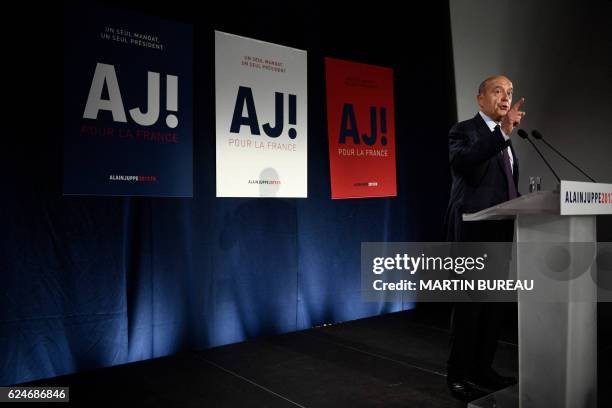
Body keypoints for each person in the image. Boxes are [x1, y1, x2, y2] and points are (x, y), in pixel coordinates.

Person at [443, 75, 525, 402]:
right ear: (480, 99)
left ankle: (483, 369)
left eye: (509, 92)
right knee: (469, 308)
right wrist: (502, 132)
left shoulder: (506, 141)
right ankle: (458, 375)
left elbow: (503, 187)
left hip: (500, 232)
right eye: (497, 91)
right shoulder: (464, 131)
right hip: (472, 232)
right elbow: (467, 165)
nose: (505, 97)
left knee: (492, 308)